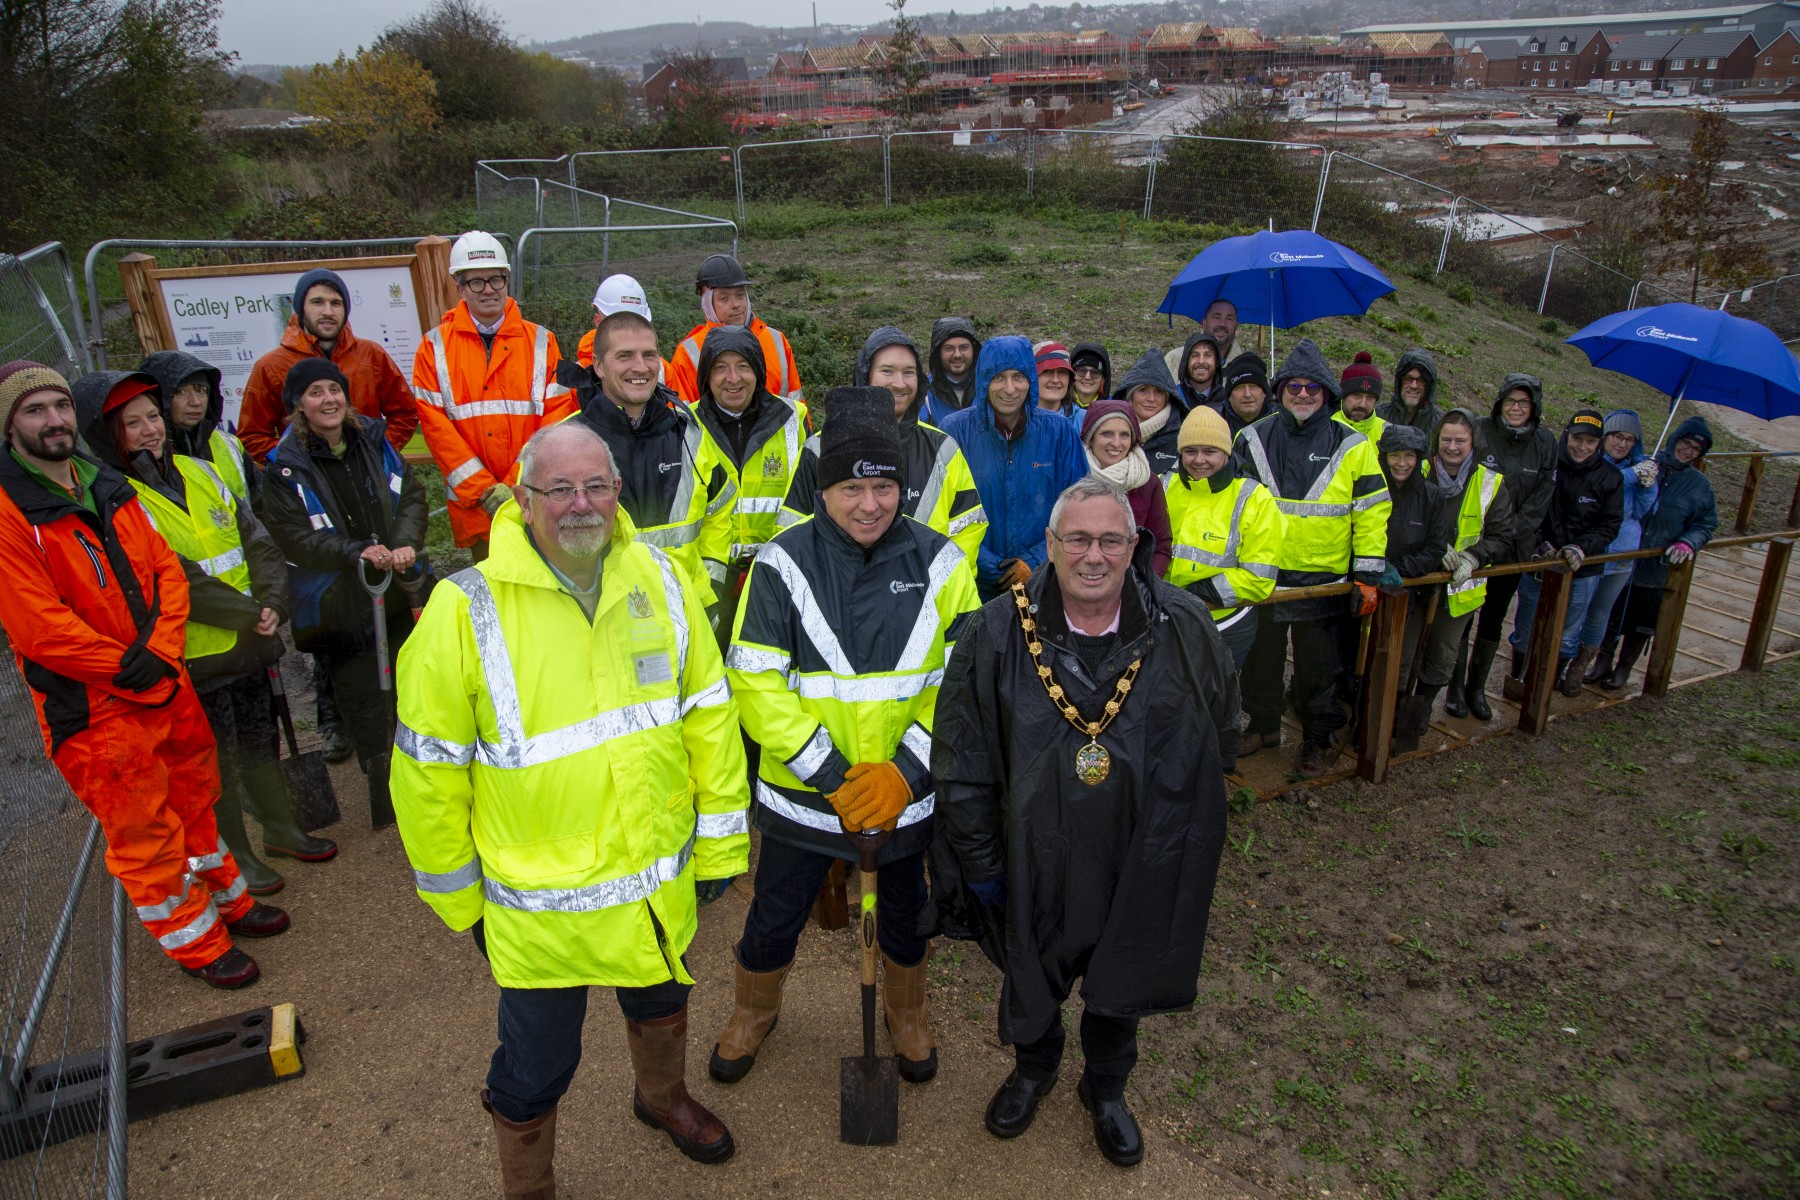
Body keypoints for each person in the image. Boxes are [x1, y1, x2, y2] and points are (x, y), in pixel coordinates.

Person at [392, 422, 751, 1195]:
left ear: (619, 492)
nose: (580, 504)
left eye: (596, 485)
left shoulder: (659, 576)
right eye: (559, 488)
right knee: (534, 1067)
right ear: (523, 500)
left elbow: (709, 718)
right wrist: (463, 906)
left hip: (654, 881)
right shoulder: (463, 611)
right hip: (539, 911)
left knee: (663, 1002)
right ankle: (530, 1185)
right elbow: (427, 778)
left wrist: (720, 850)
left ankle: (661, 1099)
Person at [932, 476, 1234, 1168]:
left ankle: (1105, 1087)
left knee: (1120, 974)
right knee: (1030, 971)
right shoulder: (996, 633)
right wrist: (981, 863)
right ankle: (1033, 1068)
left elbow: (1221, 729)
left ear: (1135, 547)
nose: (1092, 555)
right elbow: (962, 755)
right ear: (1050, 546)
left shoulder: (1184, 628)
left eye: (1109, 540)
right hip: (1031, 852)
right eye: (1078, 539)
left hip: (1138, 854)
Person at [713, 386, 979, 1089]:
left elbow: (961, 688)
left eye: (886, 486)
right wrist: (833, 775)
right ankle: (753, 1012)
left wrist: (903, 775)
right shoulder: (779, 563)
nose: (871, 504)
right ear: (824, 489)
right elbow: (755, 683)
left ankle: (908, 1013)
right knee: (775, 912)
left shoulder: (944, 562)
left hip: (901, 797)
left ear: (901, 488)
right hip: (807, 800)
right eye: (852, 488)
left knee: (904, 915)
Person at [0, 361, 288, 989]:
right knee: (143, 829)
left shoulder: (104, 483)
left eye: (58, 406)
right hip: (97, 704)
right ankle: (196, 940)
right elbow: (38, 626)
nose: (53, 421)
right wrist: (128, 666)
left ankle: (228, 901)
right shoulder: (10, 513)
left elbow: (164, 570)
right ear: (10, 425)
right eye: (34, 411)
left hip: (162, 676)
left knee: (194, 799)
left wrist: (158, 651)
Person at [77, 370, 334, 897]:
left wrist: (272, 602)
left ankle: (281, 829)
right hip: (195, 656)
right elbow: (168, 575)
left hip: (251, 639)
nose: (149, 430)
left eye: (153, 416)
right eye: (133, 423)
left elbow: (255, 538)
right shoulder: (120, 499)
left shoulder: (199, 470)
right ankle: (234, 854)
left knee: (260, 741)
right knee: (212, 766)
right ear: (109, 434)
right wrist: (248, 611)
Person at [260, 359, 428, 829]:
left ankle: (422, 781)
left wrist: (401, 543)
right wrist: (355, 552)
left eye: (334, 390)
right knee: (362, 697)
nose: (329, 400)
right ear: (299, 404)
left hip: (393, 586)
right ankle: (384, 790)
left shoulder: (373, 442)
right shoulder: (285, 466)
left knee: (410, 686)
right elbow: (292, 535)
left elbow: (411, 496)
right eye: (315, 393)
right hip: (336, 599)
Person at [1236, 340, 1391, 777]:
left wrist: (1367, 575)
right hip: (1264, 578)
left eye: (1312, 388)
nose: (1302, 395)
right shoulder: (1251, 437)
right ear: (1280, 390)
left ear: (1327, 393)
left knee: (1318, 672)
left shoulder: (1354, 445)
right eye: (1294, 387)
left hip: (1324, 582)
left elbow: (1373, 512)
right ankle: (1264, 725)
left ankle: (1315, 740)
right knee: (1261, 663)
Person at [412, 231, 574, 560]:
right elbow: (436, 427)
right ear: (459, 287)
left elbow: (555, 419)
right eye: (477, 282)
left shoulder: (542, 341)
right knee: (492, 598)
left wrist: (517, 484)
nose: (489, 289)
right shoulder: (434, 347)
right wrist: (484, 490)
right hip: (478, 509)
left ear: (507, 281)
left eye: (496, 279)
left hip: (534, 500)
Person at [560, 311, 735, 611]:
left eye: (649, 355)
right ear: (599, 365)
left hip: (686, 610)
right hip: (602, 615)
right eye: (625, 356)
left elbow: (719, 510)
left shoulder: (688, 434)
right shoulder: (565, 444)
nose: (640, 367)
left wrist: (711, 586)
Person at [781, 326, 986, 565]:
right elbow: (791, 530)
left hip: (928, 596)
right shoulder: (820, 448)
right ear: (865, 375)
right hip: (840, 595)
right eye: (887, 371)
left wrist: (939, 583)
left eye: (909, 372)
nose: (900, 384)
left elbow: (969, 527)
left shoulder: (943, 448)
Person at [940, 336, 1088, 599]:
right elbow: (942, 511)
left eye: (1018, 377)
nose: (1009, 389)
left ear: (1030, 380)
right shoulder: (955, 432)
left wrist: (1034, 560)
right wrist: (992, 567)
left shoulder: (1059, 432)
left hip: (1044, 582)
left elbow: (1078, 507)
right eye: (998, 377)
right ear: (984, 380)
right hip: (973, 584)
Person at [689, 325, 808, 632]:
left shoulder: (793, 418)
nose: (733, 378)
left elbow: (809, 496)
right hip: (708, 582)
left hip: (780, 576)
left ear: (757, 370)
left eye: (743, 366)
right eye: (720, 368)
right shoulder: (684, 424)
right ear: (706, 376)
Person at [237, 268, 418, 464]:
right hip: (307, 486)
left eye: (336, 303)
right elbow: (252, 435)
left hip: (368, 478)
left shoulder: (371, 355)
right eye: (317, 302)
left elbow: (405, 414)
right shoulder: (270, 366)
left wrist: (378, 454)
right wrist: (297, 465)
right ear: (300, 307)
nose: (328, 312)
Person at [1456, 373, 1557, 721]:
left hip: (1513, 550)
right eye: (1511, 401)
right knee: (1462, 615)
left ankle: (1476, 687)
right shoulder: (1480, 430)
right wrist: (1486, 538)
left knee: (1494, 617)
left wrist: (1509, 533)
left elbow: (1542, 496)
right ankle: (1454, 686)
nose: (1516, 408)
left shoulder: (1545, 442)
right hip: (1475, 544)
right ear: (1500, 402)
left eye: (1524, 403)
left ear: (1534, 408)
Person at [1503, 410, 1623, 698]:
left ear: (1599, 444)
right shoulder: (1547, 465)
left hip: (1583, 566)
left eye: (1590, 442)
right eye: (1577, 439)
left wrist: (1582, 547)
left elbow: (1610, 524)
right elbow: (1529, 509)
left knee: (1569, 629)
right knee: (1526, 623)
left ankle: (1549, 682)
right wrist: (1540, 542)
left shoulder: (1610, 478)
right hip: (1540, 559)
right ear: (1567, 434)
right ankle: (1520, 676)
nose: (1582, 447)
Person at [1163, 404, 1283, 671]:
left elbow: (1259, 577)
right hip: (1167, 617)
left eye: (1210, 451)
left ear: (1226, 453)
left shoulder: (1254, 497)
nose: (1199, 460)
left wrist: (1196, 594)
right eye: (1190, 451)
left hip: (1224, 621)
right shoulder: (1164, 484)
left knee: (1215, 702)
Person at [1413, 408, 1513, 726]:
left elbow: (1502, 535)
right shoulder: (1419, 470)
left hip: (1459, 590)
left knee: (1442, 656)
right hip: (1417, 583)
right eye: (1446, 440)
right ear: (1436, 440)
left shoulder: (1490, 482)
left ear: (1473, 443)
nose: (1452, 447)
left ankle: (1424, 704)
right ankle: (1400, 702)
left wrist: (1474, 555)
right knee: (1404, 653)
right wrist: (1432, 546)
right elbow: (1398, 516)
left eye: (1460, 441)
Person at [1605, 416, 1718, 691]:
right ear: (1674, 439)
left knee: (1641, 621)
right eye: (1685, 443)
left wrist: (1688, 542)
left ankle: (1624, 667)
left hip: (1656, 564)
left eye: (1696, 449)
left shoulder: (1699, 485)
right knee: (1609, 611)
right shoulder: (1646, 464)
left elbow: (1706, 522)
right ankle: (1601, 661)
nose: (1688, 451)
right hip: (1622, 554)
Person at [1376, 424, 1451, 752]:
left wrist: (1400, 570)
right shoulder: (1372, 487)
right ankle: (1363, 715)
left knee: (1401, 660)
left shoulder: (1432, 495)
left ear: (1419, 458)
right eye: (1395, 455)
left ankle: (1390, 722)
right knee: (1359, 656)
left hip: (1409, 593)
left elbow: (1436, 547)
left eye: (1409, 456)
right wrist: (1374, 567)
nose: (1402, 463)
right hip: (1368, 584)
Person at [1584, 410, 1659, 685]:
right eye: (1618, 436)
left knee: (1601, 612)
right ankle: (1562, 660)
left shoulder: (1635, 467)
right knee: (1577, 608)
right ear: (1605, 436)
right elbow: (1601, 485)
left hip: (1623, 550)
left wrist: (1649, 487)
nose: (1623, 443)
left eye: (1630, 439)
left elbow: (1640, 512)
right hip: (1592, 548)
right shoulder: (1591, 463)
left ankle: (1583, 664)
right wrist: (1630, 474)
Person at [668, 254, 802, 403]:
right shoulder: (687, 353)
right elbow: (682, 418)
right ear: (707, 303)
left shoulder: (776, 340)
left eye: (739, 295)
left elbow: (797, 404)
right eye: (724, 298)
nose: (736, 304)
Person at [141, 351, 257, 500]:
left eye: (201, 390)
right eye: (180, 392)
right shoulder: (149, 450)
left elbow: (260, 501)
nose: (195, 402)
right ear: (159, 398)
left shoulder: (230, 444)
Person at [1079, 399, 1171, 576]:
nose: (1116, 443)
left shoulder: (1147, 483)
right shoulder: (1073, 476)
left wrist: (1144, 588)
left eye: (1124, 435)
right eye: (1106, 434)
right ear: (1091, 438)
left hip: (1131, 588)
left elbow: (1161, 546)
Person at [1111, 349, 1186, 478]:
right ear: (1130, 396)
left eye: (1159, 391)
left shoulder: (1184, 437)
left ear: (1168, 397)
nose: (1151, 398)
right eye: (1143, 390)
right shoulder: (1107, 432)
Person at [575, 273, 664, 379]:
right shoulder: (573, 379)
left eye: (637, 323)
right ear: (598, 322)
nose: (629, 331)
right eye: (618, 325)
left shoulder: (663, 370)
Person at [921, 317, 982, 427]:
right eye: (949, 348)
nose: (957, 355)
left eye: (964, 347)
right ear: (938, 352)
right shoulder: (923, 395)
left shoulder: (989, 388)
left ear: (974, 350)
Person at [1377, 348, 1445, 441]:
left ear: (1429, 386)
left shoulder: (1443, 425)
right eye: (1408, 378)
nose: (1414, 386)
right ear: (1399, 382)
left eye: (1421, 380)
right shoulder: (1377, 416)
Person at [1213, 352, 1275, 439]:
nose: (1247, 394)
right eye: (1239, 387)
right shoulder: (1213, 422)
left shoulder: (1281, 423)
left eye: (1254, 386)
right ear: (1229, 394)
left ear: (1265, 392)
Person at [1335, 352, 1387, 444]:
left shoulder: (1387, 432)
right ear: (1343, 396)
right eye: (1357, 396)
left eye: (1370, 397)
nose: (1362, 404)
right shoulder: (1326, 427)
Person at [1173, 329, 1222, 412]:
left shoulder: (1227, 400)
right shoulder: (1173, 398)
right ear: (1186, 361)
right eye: (1195, 355)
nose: (1201, 361)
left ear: (1217, 362)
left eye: (1207, 355)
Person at [1033, 341, 1082, 421]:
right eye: (1047, 371)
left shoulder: (1085, 421)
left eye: (1062, 372)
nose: (1055, 380)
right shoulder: (1014, 419)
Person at [1068, 342, 1111, 412]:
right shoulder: (1056, 405)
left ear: (1103, 379)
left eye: (1095, 373)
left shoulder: (1113, 409)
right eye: (1082, 371)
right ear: (1072, 373)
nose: (1087, 377)